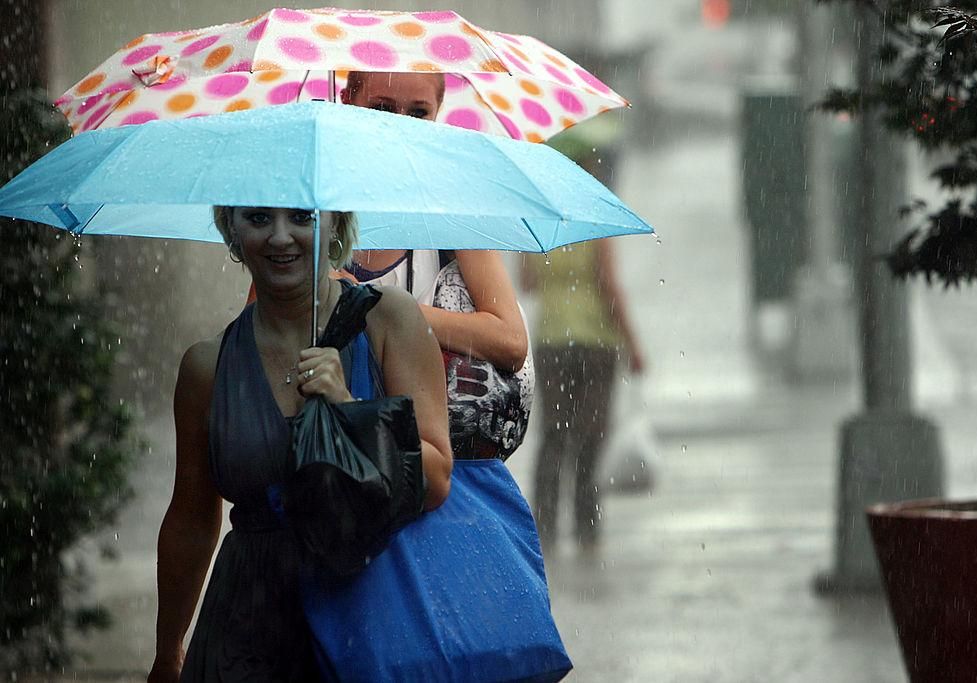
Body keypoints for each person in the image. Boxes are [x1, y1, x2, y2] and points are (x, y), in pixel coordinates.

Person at [147, 206, 452, 681]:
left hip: (364, 616)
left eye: (303, 217)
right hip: (245, 635)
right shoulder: (208, 367)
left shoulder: (388, 321)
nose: (280, 237)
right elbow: (190, 517)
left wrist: (349, 408)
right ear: (232, 228)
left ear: (336, 224)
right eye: (258, 218)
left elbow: (435, 480)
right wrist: (168, 652)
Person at [341, 71, 529, 376]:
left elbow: (510, 341)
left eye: (418, 112)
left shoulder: (451, 207)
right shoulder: (308, 211)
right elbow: (258, 334)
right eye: (382, 109)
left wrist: (373, 306)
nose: (401, 125)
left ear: (437, 113)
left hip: (423, 419)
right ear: (347, 102)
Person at [520, 140, 646, 557]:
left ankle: (545, 527)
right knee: (591, 436)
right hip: (594, 342)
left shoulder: (542, 222)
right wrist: (634, 345)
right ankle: (587, 528)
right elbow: (610, 286)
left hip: (552, 340)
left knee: (553, 435)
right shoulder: (595, 221)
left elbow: (528, 283)